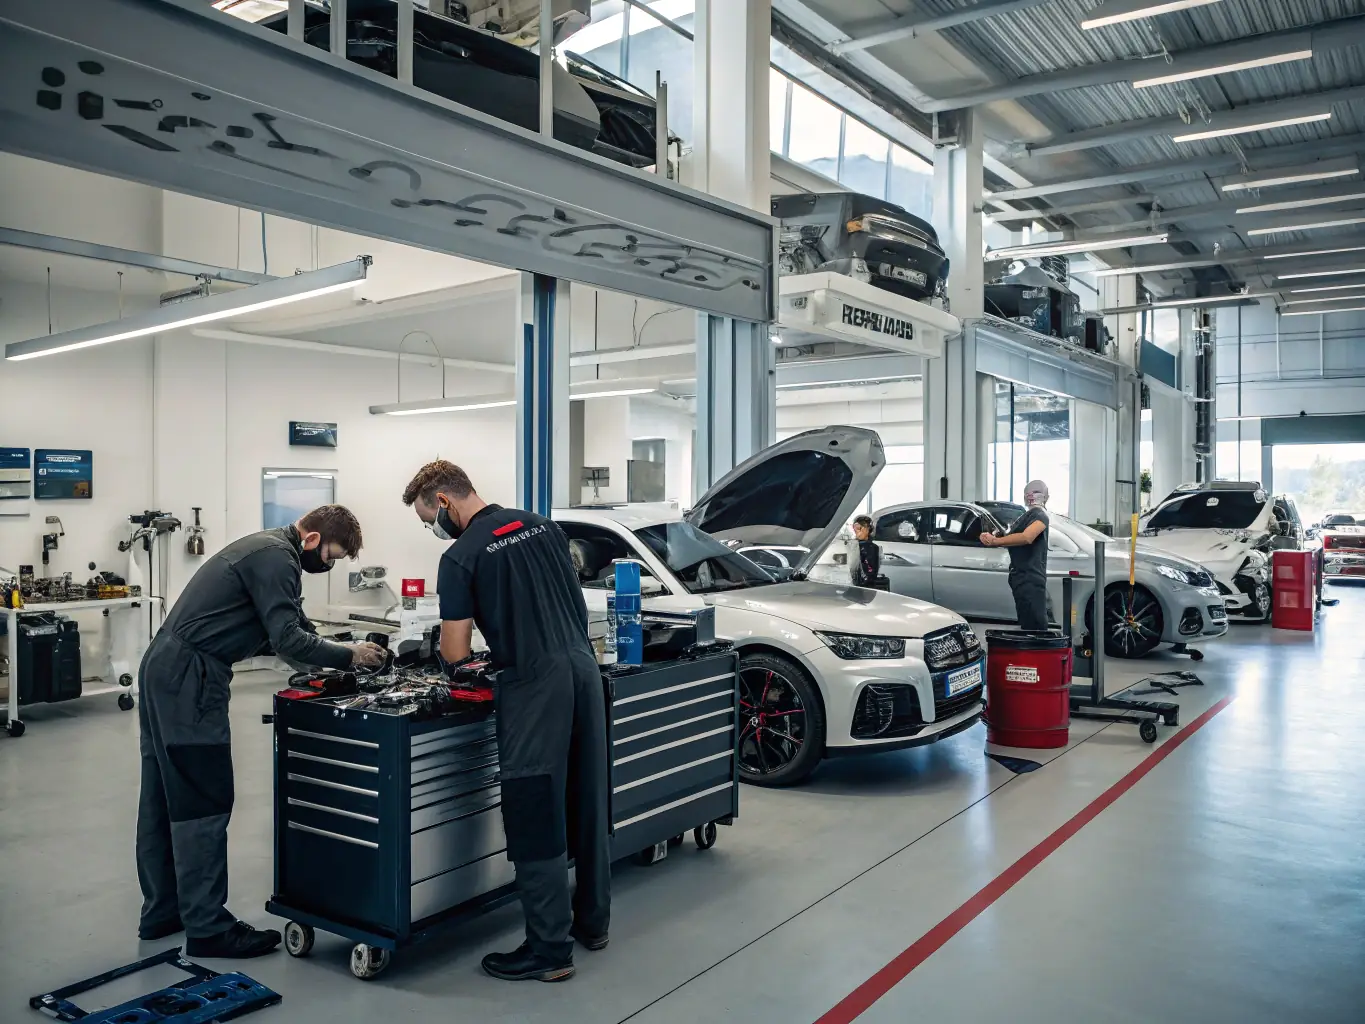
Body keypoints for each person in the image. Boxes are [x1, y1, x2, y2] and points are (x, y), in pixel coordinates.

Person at [135, 506, 386, 958]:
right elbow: (289, 637)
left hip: (163, 667)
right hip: (192, 677)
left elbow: (283, 631)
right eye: (332, 556)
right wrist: (349, 656)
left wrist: (322, 661)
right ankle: (208, 927)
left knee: (163, 793)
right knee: (202, 798)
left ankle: (163, 911)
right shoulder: (280, 558)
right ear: (311, 540)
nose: (328, 566)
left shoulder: (264, 547)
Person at [402, 460, 609, 983]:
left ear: (445, 502)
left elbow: (454, 648)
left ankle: (548, 950)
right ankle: (593, 924)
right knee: (587, 797)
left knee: (534, 807)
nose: (433, 528)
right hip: (584, 673)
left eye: (429, 517)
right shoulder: (543, 525)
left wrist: (462, 664)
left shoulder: (460, 556)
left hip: (534, 687)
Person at [981, 479, 1053, 631]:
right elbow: (1011, 536)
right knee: (1027, 623)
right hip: (1020, 577)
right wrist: (993, 537)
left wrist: (995, 541)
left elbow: (1027, 537)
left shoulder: (1041, 516)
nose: (1030, 496)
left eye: (1033, 492)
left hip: (1030, 577)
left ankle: (1036, 653)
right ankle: (1031, 653)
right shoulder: (1024, 517)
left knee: (1036, 626)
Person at [850, 515, 881, 588]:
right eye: (855, 528)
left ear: (868, 529)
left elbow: (870, 573)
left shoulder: (872, 547)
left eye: (859, 528)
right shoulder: (854, 545)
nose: (857, 531)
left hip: (864, 587)